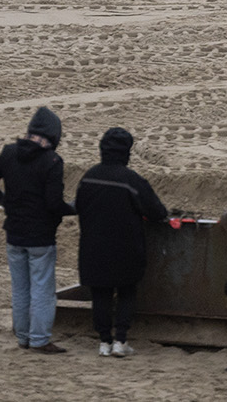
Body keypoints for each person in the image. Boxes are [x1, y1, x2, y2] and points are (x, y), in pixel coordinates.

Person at [0, 107, 73, 352]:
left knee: (20, 289)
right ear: (54, 136)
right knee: (42, 290)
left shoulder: (9, 152)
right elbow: (54, 203)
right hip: (40, 237)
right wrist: (72, 209)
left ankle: (23, 337)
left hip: (14, 232)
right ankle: (39, 339)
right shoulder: (52, 161)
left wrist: (3, 200)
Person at [74, 126, 169, 358]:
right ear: (126, 152)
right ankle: (121, 340)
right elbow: (157, 212)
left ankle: (104, 342)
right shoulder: (131, 180)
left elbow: (78, 206)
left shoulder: (89, 177)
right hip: (126, 249)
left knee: (100, 294)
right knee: (126, 292)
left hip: (93, 248)